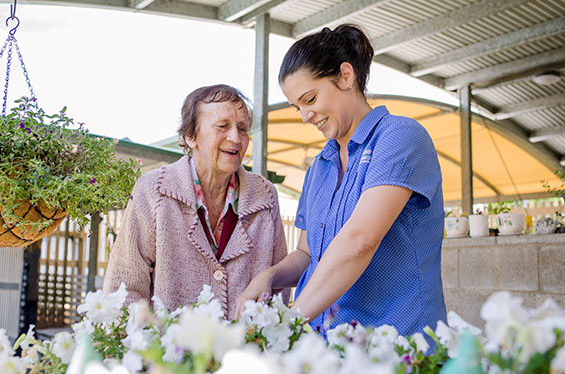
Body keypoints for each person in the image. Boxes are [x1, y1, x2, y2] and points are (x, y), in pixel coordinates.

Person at [235, 25, 447, 338]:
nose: (305, 116)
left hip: (398, 352)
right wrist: (270, 276)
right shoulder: (319, 167)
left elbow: (360, 241)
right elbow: (308, 255)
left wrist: (289, 322)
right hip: (330, 350)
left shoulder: (399, 137)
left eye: (310, 99)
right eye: (298, 107)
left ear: (346, 76)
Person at [104, 84, 288, 319]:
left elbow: (279, 287)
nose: (236, 138)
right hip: (168, 353)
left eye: (242, 129)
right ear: (190, 136)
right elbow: (124, 287)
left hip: (244, 352)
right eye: (223, 126)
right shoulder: (153, 191)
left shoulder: (266, 196)